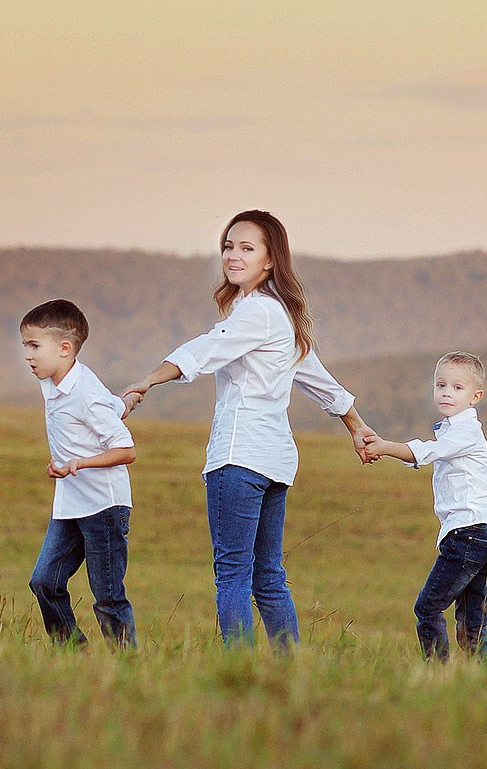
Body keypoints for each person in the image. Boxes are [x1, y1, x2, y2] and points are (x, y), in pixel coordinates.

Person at [120, 210, 374, 647]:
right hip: (274, 461)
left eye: (247, 248)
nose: (233, 256)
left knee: (233, 574)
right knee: (268, 575)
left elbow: (207, 349)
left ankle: (239, 669)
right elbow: (318, 379)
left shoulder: (257, 312)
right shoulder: (279, 315)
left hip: (239, 457)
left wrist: (147, 380)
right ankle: (288, 670)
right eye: (228, 246)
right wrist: (357, 426)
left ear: (270, 260)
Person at [361, 352, 487, 659]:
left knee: (427, 608)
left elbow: (427, 453)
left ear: (476, 397)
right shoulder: (455, 430)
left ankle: (436, 673)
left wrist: (386, 447)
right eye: (441, 385)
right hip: (486, 534)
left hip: (469, 534)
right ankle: (481, 676)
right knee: (473, 622)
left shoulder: (466, 431)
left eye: (457, 387)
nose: (446, 393)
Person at [20, 299, 138, 647]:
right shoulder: (51, 381)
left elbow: (127, 450)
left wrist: (78, 464)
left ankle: (127, 666)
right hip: (70, 504)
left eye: (34, 346)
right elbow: (112, 407)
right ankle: (73, 653)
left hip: (104, 506)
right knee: (44, 581)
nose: (27, 356)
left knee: (108, 597)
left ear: (65, 349)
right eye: (25, 346)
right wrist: (127, 402)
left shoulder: (85, 392)